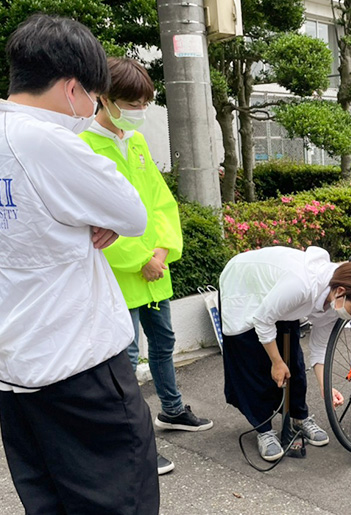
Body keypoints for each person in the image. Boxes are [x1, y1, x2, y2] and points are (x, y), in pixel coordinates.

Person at [0, 14, 159, 514]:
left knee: (48, 502)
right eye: (92, 97)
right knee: (120, 501)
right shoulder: (46, 141)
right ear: (72, 89)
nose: (92, 110)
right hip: (77, 367)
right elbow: (131, 212)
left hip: (12, 369)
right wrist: (98, 214)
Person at [79, 57, 213, 477]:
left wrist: (161, 252)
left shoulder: (134, 143)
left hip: (155, 271)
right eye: (131, 102)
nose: (139, 110)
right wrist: (142, 259)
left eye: (144, 102)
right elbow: (97, 220)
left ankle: (171, 410)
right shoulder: (84, 145)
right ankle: (134, 443)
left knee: (164, 343)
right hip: (121, 276)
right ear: (104, 97)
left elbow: (160, 204)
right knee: (125, 360)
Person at [219, 246, 351, 461]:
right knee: (254, 363)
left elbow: (319, 348)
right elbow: (262, 319)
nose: (350, 317)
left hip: (279, 298)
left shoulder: (334, 302)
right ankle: (263, 429)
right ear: (342, 291)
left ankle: (299, 417)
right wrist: (276, 362)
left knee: (294, 360)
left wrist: (324, 387)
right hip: (244, 286)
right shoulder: (301, 285)